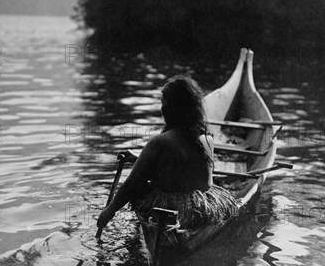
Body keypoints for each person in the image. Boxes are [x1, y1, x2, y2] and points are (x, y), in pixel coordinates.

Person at [97, 75, 238, 230]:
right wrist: (138, 159)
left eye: (164, 103)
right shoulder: (206, 139)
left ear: (171, 108)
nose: (162, 108)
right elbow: (203, 183)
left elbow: (132, 184)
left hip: (164, 206)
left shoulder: (160, 141)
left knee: (140, 186)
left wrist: (109, 211)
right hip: (197, 206)